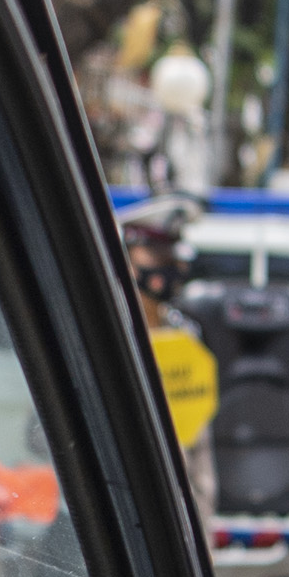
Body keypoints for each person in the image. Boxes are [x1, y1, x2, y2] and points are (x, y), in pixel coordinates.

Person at [119, 202, 220, 511]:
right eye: (158, 255)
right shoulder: (107, 334)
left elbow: (199, 451)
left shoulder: (184, 335)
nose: (171, 266)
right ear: (127, 259)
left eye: (173, 256)